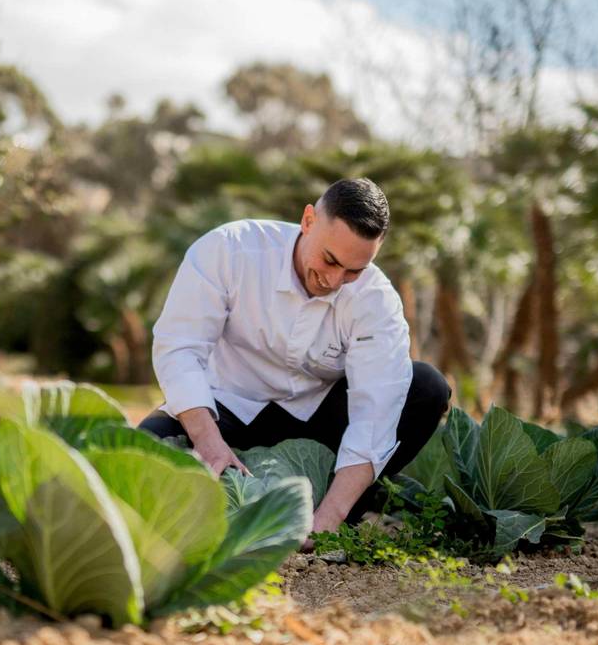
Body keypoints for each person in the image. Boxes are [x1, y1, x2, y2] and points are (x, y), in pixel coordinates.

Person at [137, 177, 451, 547]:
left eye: (353, 271)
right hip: (225, 408)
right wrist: (208, 444)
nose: (334, 280)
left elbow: (375, 415)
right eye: (330, 260)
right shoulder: (229, 250)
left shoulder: (376, 301)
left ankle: (337, 507)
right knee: (143, 454)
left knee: (426, 387)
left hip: (317, 421)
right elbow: (179, 348)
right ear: (308, 221)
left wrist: (328, 518)